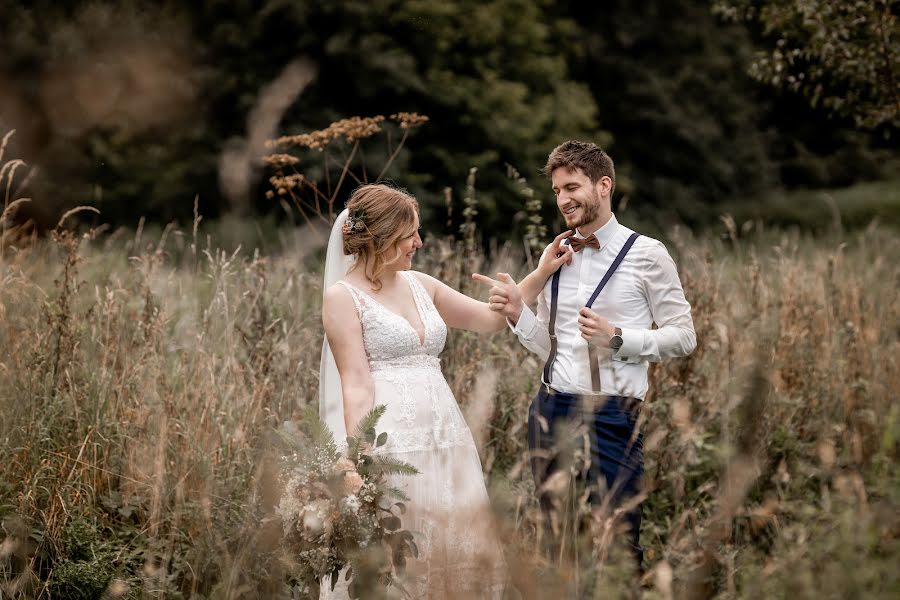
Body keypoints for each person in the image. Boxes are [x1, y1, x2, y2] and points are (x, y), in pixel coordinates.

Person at [479, 140, 696, 569]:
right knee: (556, 544)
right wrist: (518, 314)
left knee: (619, 543)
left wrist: (618, 337)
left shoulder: (648, 255)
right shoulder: (555, 255)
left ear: (603, 185)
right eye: (557, 190)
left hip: (613, 413)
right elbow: (550, 345)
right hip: (549, 410)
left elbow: (684, 337)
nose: (563, 200)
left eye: (572, 187)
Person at [319, 183, 511, 599]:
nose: (419, 243)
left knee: (454, 545)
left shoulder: (421, 283)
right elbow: (355, 382)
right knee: (401, 552)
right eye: (411, 235)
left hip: (446, 437)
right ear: (383, 236)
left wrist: (541, 272)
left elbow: (491, 320)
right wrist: (357, 457)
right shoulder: (342, 298)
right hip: (393, 443)